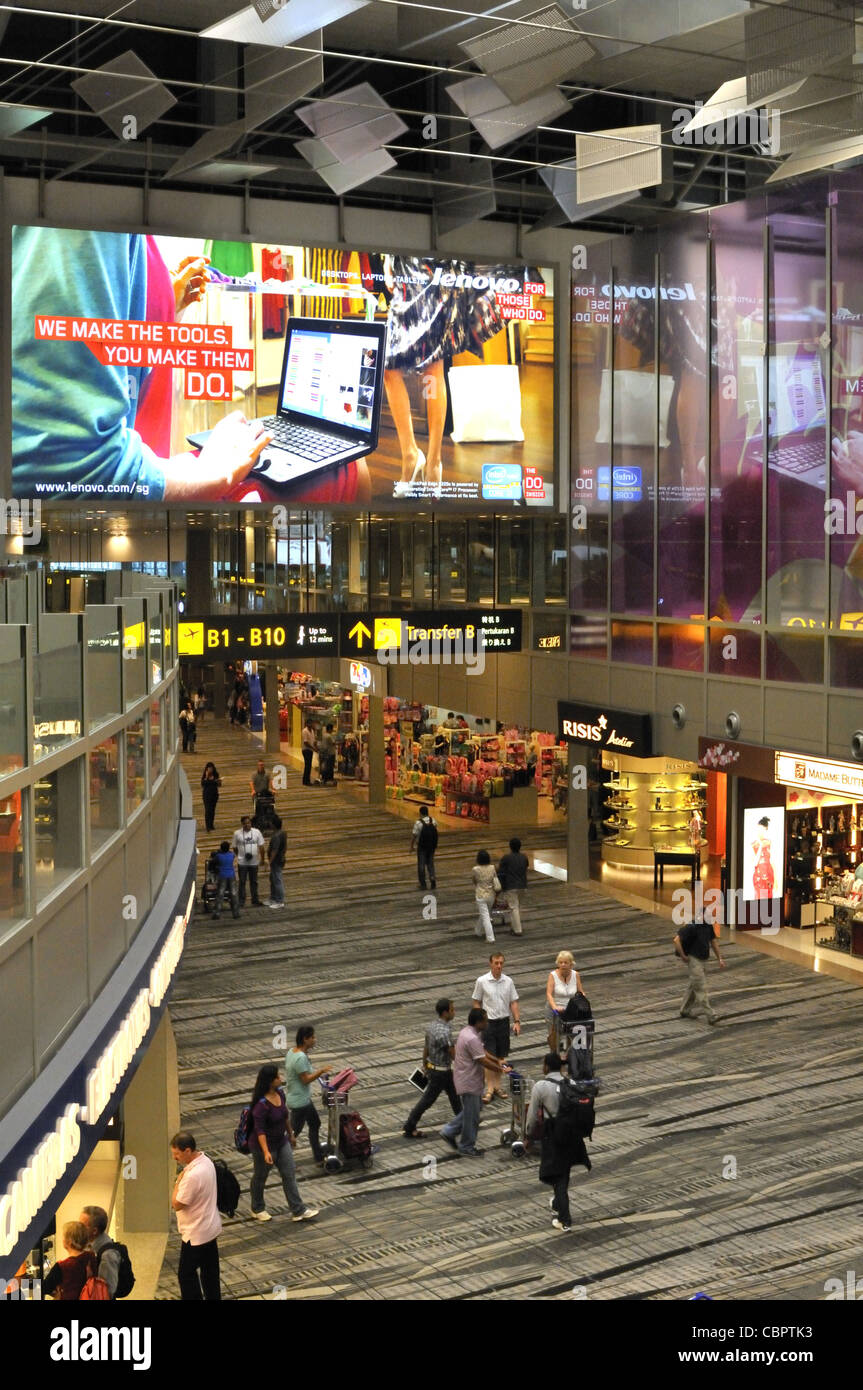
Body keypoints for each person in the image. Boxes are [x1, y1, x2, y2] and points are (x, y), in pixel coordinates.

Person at [525, 1052, 592, 1233]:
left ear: (546, 1067)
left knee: (558, 1178)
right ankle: (556, 1203)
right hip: (571, 1135)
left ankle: (564, 1219)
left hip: (553, 1135)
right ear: (561, 1067)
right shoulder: (570, 1083)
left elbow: (531, 1118)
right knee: (563, 1172)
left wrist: (528, 1136)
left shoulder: (540, 1086)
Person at [247, 1063, 319, 1222]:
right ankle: (257, 1208)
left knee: (289, 1174)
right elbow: (260, 1131)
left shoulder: (280, 1094)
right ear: (270, 1081)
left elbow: (285, 1116)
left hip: (281, 1141)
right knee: (260, 1176)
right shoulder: (261, 1105)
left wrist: (291, 1135)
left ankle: (298, 1210)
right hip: (262, 1147)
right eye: (277, 1077)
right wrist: (266, 1152)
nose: (280, 1079)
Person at [440, 1009, 511, 1156]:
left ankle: (449, 1130)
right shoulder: (471, 1038)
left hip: (465, 1079)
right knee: (472, 1116)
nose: (487, 1022)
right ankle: (466, 1146)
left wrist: (497, 1061)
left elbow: (482, 1052)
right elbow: (482, 1060)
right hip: (469, 1081)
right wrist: (500, 1069)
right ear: (478, 1022)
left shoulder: (468, 1032)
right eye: (485, 1020)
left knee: (474, 1108)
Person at [170, 1130, 222, 1300]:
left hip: (195, 1234)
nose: (174, 1158)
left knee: (186, 1274)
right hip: (210, 1228)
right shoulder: (206, 1161)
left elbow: (177, 1204)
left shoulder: (191, 1175)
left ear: (187, 1151)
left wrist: (178, 1180)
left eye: (176, 1154)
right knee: (210, 1272)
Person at [403, 999, 461, 1139]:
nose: (454, 1012)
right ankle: (409, 1126)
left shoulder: (431, 1027)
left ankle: (465, 1120)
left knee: (455, 1097)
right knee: (427, 1100)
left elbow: (426, 1048)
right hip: (440, 1073)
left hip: (438, 1069)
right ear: (445, 1012)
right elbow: (453, 1054)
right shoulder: (444, 1032)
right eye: (452, 1010)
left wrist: (425, 1065)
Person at [472, 952, 520, 1103]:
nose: (499, 966)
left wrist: (517, 1021)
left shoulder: (508, 981)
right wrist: (478, 1020)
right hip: (488, 1023)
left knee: (501, 1056)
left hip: (503, 1022)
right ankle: (490, 1088)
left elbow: (513, 1002)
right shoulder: (482, 981)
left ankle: (498, 1086)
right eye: (496, 963)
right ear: (490, 964)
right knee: (489, 1056)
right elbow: (476, 1001)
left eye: (501, 963)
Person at [284, 1026, 331, 1164]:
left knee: (315, 1123)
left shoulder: (292, 1052)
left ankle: (318, 1155)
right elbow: (305, 1080)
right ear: (305, 1039)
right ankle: (281, 1158)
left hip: (301, 1098)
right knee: (293, 1133)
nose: (314, 1040)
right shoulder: (300, 1058)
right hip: (300, 1102)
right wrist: (321, 1071)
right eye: (312, 1037)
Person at [674, 915, 726, 1024]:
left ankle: (685, 1010)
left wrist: (719, 958)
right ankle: (711, 1015)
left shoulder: (708, 925)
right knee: (701, 988)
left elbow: (713, 941)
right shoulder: (691, 927)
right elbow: (676, 940)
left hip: (703, 960)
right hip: (694, 961)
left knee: (694, 985)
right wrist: (683, 956)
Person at [42, 1221, 95, 1300]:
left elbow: (44, 1288)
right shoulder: (91, 1257)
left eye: (63, 1236)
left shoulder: (62, 1266)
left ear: (69, 1242)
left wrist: (25, 1282)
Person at [78, 1205, 121, 1299]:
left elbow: (106, 1292)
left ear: (94, 1231)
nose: (78, 1228)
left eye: (82, 1225)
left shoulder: (108, 1255)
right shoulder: (89, 1246)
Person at [545, 950, 584, 1051]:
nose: (563, 965)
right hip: (556, 1008)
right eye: (560, 962)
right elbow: (549, 994)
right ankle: (554, 1054)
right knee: (554, 1035)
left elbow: (581, 992)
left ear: (571, 964)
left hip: (570, 1009)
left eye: (565, 962)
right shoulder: (552, 975)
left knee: (571, 1033)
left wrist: (582, 1001)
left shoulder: (576, 975)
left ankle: (571, 1054)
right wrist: (555, 1008)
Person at [498, 836, 528, 936]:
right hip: (523, 885)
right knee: (516, 907)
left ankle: (518, 930)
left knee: (513, 907)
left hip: (511, 886)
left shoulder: (506, 858)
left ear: (510, 847)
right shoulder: (524, 857)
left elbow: (500, 871)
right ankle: (513, 927)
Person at [232, 815, 264, 906]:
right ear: (242, 824)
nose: (247, 825)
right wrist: (239, 855)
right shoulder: (237, 833)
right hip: (242, 862)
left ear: (251, 823)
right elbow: (234, 847)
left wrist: (262, 859)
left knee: (254, 881)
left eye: (249, 823)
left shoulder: (257, 832)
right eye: (245, 823)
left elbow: (261, 846)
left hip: (254, 862)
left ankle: (255, 900)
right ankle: (241, 901)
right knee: (242, 881)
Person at [472, 849, 501, 944]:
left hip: (480, 894)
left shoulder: (475, 869)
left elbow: (474, 881)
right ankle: (478, 931)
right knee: (485, 914)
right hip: (491, 894)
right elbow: (495, 878)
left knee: (485, 916)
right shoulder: (492, 867)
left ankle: (490, 937)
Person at [211, 840, 240, 920]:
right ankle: (236, 913)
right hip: (231, 875)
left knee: (220, 894)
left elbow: (213, 861)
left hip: (222, 876)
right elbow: (232, 854)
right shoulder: (231, 855)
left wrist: (218, 852)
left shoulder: (219, 856)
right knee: (234, 894)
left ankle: (217, 913)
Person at [411, 804, 438, 889]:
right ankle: (432, 878)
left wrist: (411, 846)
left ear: (420, 813)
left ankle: (423, 884)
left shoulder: (418, 823)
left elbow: (414, 835)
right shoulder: (433, 820)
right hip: (431, 846)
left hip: (422, 846)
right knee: (430, 863)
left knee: (421, 865)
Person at [751, 815, 774, 899]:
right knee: (761, 901)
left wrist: (778, 880)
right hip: (759, 876)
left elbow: (772, 861)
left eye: (762, 829)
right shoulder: (754, 844)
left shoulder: (769, 842)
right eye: (759, 829)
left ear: (766, 830)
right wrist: (760, 846)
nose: (760, 832)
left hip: (769, 874)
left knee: (769, 899)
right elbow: (754, 862)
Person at [267, 815, 286, 909]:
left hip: (276, 860)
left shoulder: (276, 836)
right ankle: (273, 898)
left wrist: (269, 862)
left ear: (273, 824)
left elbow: (274, 850)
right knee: (273, 878)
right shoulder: (282, 833)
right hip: (280, 859)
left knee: (277, 880)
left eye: (271, 822)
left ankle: (280, 900)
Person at [200, 761, 221, 832]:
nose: (210, 770)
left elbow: (219, 785)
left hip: (214, 794)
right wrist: (206, 776)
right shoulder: (205, 776)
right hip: (207, 795)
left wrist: (218, 781)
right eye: (209, 768)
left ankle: (211, 824)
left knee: (212, 810)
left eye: (211, 768)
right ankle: (207, 826)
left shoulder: (216, 775)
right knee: (207, 810)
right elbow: (203, 784)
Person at [301, 719, 316, 786]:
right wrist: (313, 748)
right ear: (307, 724)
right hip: (306, 750)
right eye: (310, 723)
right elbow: (305, 742)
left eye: (312, 723)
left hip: (310, 750)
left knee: (309, 766)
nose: (311, 724)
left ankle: (307, 780)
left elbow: (313, 741)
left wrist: (316, 747)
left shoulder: (312, 731)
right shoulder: (305, 731)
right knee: (307, 766)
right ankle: (306, 781)